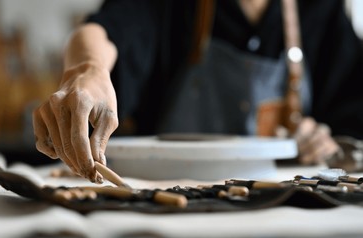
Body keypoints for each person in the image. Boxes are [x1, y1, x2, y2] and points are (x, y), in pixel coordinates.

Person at [33, 0, 363, 183]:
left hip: (280, 206)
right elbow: (101, 32)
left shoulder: (322, 10)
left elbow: (351, 113)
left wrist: (328, 142)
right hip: (168, 204)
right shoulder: (168, 8)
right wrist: (88, 70)